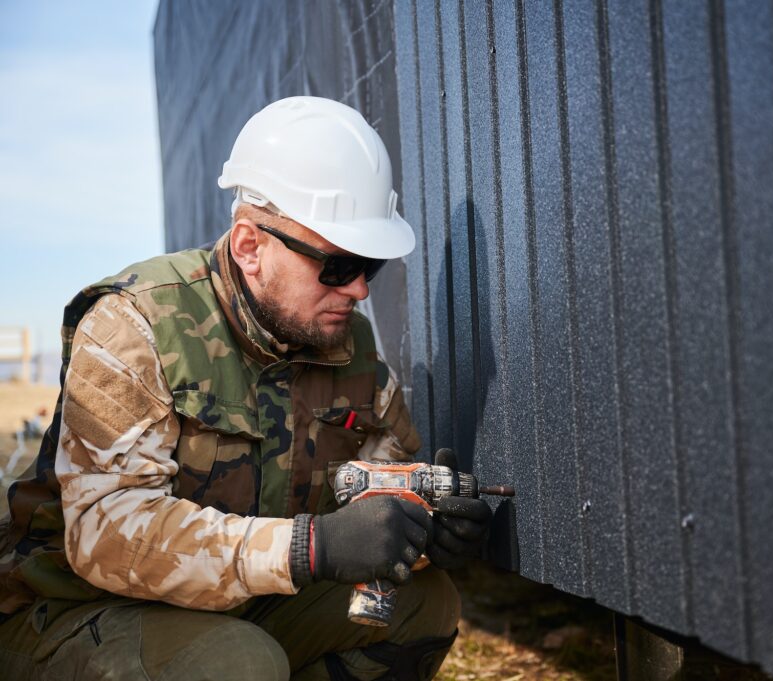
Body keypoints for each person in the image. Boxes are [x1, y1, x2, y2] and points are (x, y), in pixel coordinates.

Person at [0, 96, 491, 681]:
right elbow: (107, 534)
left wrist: (426, 527)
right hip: (79, 611)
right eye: (337, 266)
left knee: (422, 606)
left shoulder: (346, 344)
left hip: (240, 601)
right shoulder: (135, 326)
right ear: (250, 247)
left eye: (371, 266)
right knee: (236, 662)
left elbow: (375, 494)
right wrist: (310, 548)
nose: (359, 289)